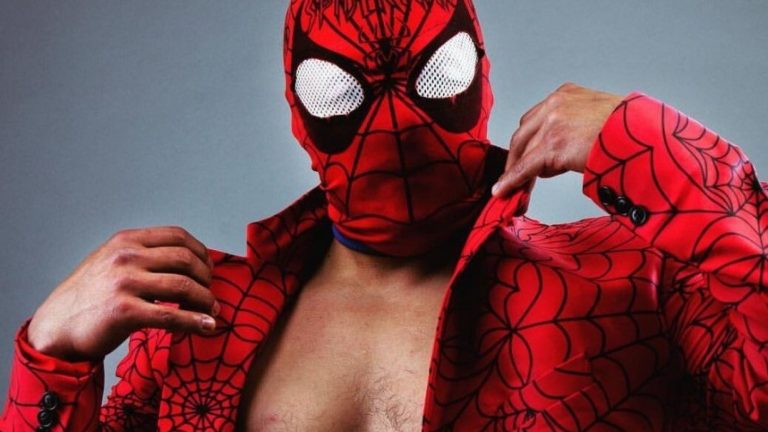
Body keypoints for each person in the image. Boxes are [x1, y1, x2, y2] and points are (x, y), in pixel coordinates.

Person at [2, 0, 767, 430]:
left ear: (481, 74)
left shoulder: (635, 281)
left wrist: (660, 151)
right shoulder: (191, 327)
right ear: (299, 109)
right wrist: (51, 359)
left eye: (437, 75)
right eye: (341, 89)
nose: (398, 123)